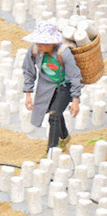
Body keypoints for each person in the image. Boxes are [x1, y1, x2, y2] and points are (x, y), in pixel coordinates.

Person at [22, 21, 82, 157]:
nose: (40, 46)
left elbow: (74, 76)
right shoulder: (34, 50)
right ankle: (65, 136)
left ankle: (51, 151)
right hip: (47, 85)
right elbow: (28, 71)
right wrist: (28, 94)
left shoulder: (63, 53)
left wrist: (75, 99)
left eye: (43, 43)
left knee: (54, 116)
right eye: (38, 42)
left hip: (64, 85)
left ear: (52, 43)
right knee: (54, 111)